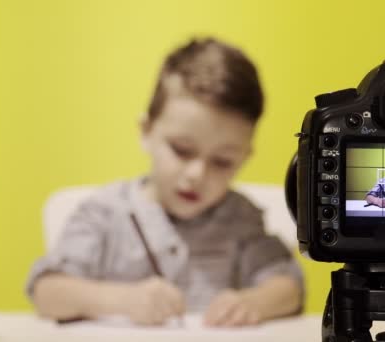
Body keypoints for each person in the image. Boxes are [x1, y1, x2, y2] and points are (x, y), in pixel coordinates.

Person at [25, 37, 303, 327]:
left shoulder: (241, 219)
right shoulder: (104, 212)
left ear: (244, 157)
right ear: (146, 131)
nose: (197, 174)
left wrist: (253, 302)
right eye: (182, 150)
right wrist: (122, 300)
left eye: (222, 161)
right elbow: (47, 291)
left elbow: (290, 287)